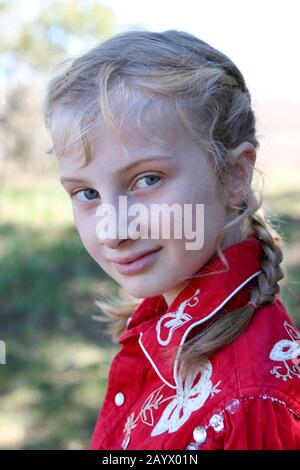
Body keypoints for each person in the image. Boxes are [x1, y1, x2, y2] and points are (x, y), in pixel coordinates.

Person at [43, 29, 300, 450]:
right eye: (87, 193)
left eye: (147, 180)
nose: (112, 230)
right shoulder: (162, 317)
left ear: (235, 175)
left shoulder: (248, 404)